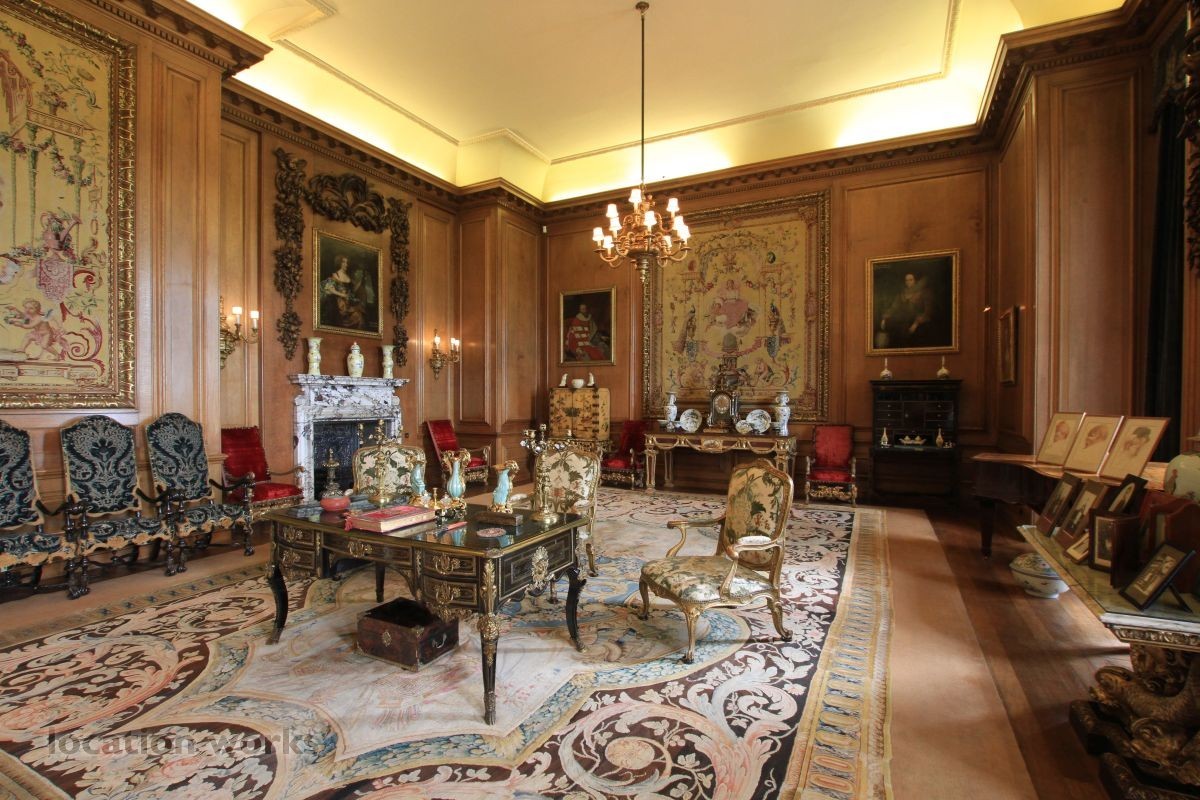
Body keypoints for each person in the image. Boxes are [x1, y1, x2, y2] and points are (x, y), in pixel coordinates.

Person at [879, 272, 934, 348]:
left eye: (911, 280)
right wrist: (884, 318)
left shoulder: (924, 293)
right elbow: (894, 307)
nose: (908, 282)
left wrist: (916, 324)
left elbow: (927, 311)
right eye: (906, 280)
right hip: (904, 321)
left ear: (915, 280)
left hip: (918, 322)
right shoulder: (902, 293)